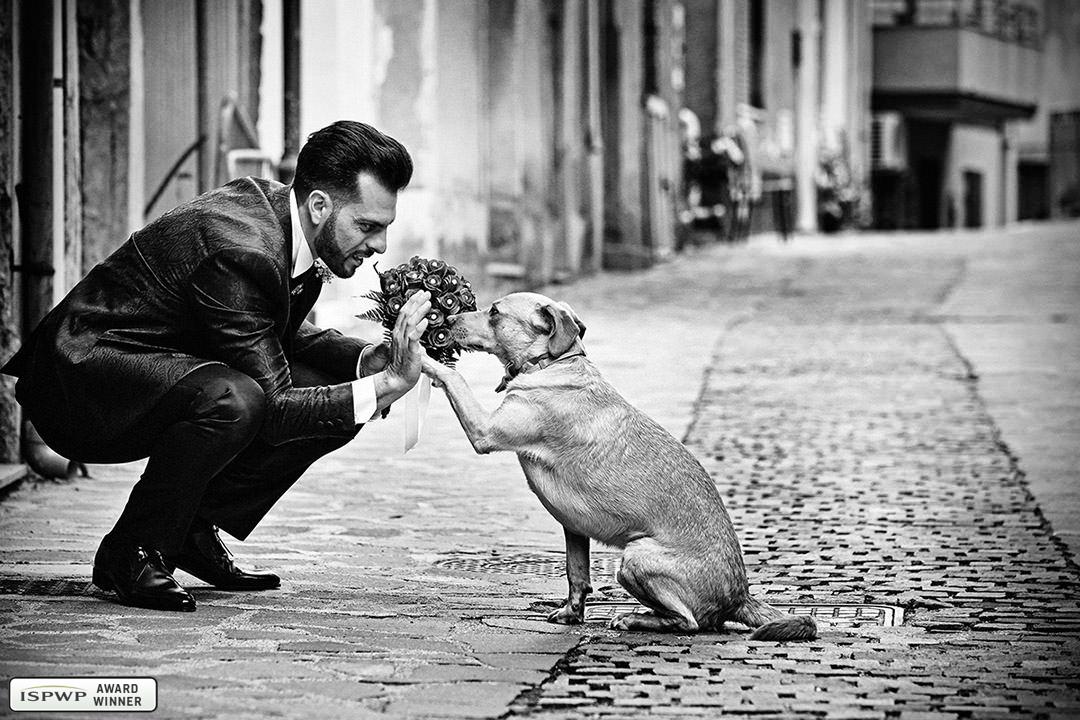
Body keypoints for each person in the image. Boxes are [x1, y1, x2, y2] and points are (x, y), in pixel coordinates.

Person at [1, 121, 432, 612]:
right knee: (237, 400)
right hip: (82, 383)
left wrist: (364, 361)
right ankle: (132, 550)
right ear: (319, 206)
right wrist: (388, 384)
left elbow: (272, 331)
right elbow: (273, 407)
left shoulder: (287, 222)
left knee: (337, 390)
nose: (379, 246)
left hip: (153, 364)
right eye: (368, 226)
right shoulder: (243, 247)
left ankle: (188, 530)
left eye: (384, 229)